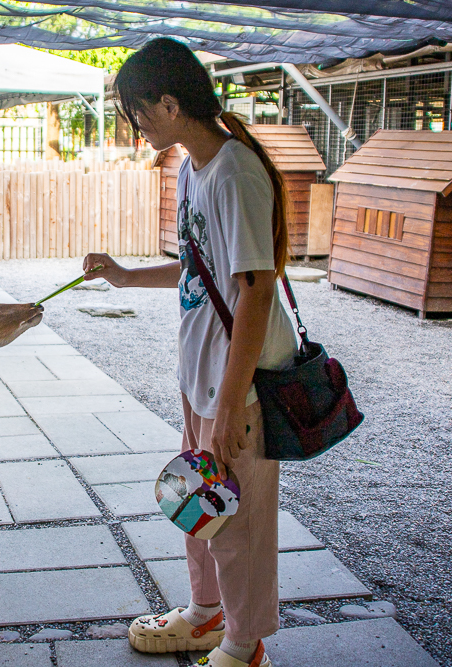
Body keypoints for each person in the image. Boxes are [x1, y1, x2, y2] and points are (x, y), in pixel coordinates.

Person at [82, 37, 297, 667]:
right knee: (198, 498)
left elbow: (254, 290)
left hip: (241, 383)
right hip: (203, 375)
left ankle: (242, 644)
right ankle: (205, 617)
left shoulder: (234, 171)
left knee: (240, 524)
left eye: (139, 111)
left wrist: (232, 403)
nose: (137, 124)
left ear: (171, 104)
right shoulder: (193, 169)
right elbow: (198, 271)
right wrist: (124, 275)